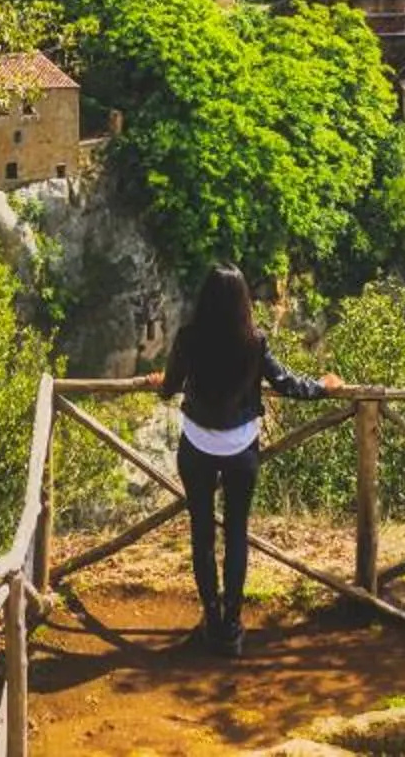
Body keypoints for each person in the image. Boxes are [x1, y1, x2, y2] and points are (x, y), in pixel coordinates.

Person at [160, 263, 340, 655]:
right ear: (243, 300)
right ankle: (232, 626)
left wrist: (161, 382)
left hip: (197, 448)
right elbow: (287, 383)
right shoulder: (253, 341)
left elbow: (169, 387)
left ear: (204, 298)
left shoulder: (190, 338)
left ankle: (210, 617)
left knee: (202, 534)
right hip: (241, 449)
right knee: (237, 533)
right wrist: (323, 388)